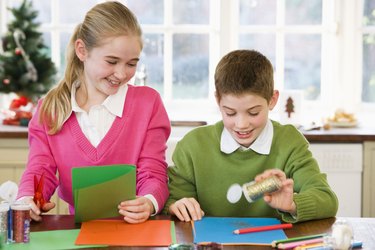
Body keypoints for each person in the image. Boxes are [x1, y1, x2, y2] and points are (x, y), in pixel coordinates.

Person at [17, 1, 171, 224]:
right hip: (79, 232)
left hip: (137, 231)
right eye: (112, 61)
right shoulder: (50, 109)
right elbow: (40, 169)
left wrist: (148, 201)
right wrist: (28, 198)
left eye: (131, 64)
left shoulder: (148, 103)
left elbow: (153, 170)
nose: (121, 73)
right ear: (82, 51)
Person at [164, 49, 338, 223]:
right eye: (230, 113)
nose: (241, 124)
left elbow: (327, 200)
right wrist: (176, 204)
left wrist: (292, 203)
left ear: (272, 100)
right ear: (218, 100)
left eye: (253, 113)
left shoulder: (289, 142)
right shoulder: (193, 146)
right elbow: (172, 201)